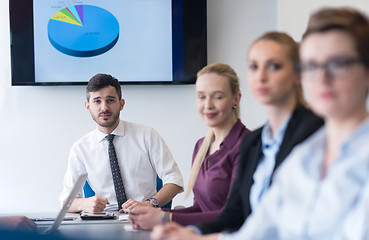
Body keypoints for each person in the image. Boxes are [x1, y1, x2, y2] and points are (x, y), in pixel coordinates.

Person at [153, 7, 369, 240]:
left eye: (339, 63)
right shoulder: (305, 156)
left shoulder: (313, 141)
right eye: (312, 66)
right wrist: (191, 235)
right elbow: (259, 228)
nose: (322, 77)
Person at [126, 63, 251, 230]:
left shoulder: (248, 144)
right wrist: (152, 213)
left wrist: (165, 218)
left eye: (218, 96)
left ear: (236, 99)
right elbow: (201, 208)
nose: (208, 105)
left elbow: (235, 214)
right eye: (201, 96)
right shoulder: (202, 146)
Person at [60, 73, 184, 212]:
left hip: (145, 215)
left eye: (110, 100)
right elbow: (66, 200)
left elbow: (175, 181)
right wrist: (84, 204)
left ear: (122, 104)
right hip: (104, 221)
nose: (104, 108)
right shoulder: (80, 148)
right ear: (88, 106)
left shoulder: (147, 135)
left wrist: (150, 204)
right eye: (97, 101)